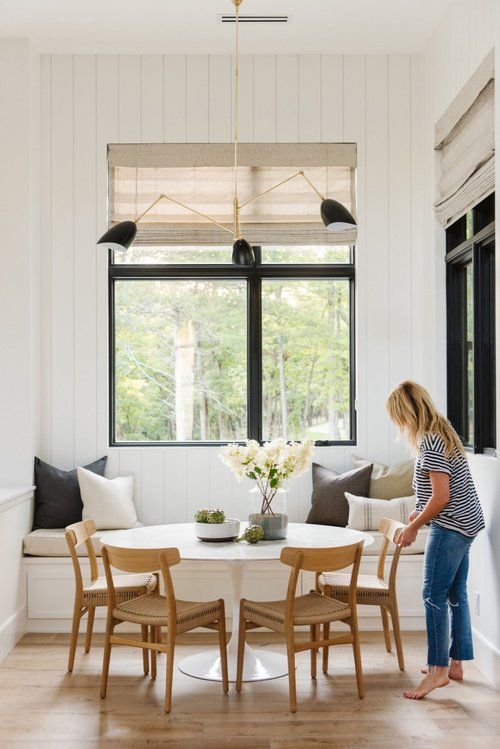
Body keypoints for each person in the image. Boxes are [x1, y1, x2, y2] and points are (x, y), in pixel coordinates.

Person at [386, 380, 484, 699]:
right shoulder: (444, 432)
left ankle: (438, 670)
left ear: (406, 413)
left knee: (432, 594)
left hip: (451, 525)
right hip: (467, 523)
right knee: (456, 592)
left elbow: (442, 496)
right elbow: (435, 491)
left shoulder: (430, 441)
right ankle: (455, 664)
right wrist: (417, 512)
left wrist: (414, 527)